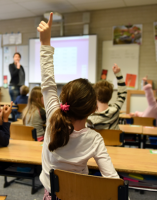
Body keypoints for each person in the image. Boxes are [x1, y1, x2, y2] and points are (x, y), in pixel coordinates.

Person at [37, 13, 119, 200]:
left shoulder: (52, 118)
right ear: (92, 109)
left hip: (52, 195)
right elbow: (112, 179)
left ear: (63, 99)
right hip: (79, 195)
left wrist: (45, 43)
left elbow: (47, 83)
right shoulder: (94, 139)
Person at [87, 64, 127, 130]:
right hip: (113, 140)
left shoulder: (89, 118)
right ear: (110, 97)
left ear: (95, 97)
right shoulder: (115, 110)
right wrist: (118, 74)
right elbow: (123, 93)